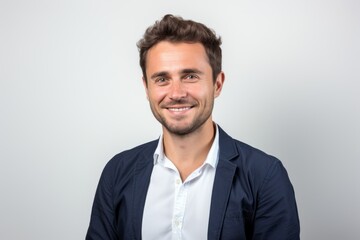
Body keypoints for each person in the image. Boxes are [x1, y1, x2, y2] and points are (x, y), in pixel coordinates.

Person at [86, 14, 300, 240]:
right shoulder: (117, 172)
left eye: (189, 76)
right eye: (161, 79)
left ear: (217, 84)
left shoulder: (264, 175)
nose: (176, 93)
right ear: (147, 88)